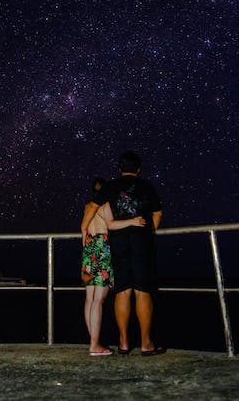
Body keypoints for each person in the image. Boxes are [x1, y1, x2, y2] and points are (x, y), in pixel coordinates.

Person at [88, 152, 165, 356]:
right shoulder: (147, 186)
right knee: (142, 291)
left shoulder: (110, 187)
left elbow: (92, 207)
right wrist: (150, 232)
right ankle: (146, 344)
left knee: (122, 290)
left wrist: (84, 229)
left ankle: (123, 343)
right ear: (138, 169)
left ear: (119, 169)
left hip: (118, 243)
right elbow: (157, 213)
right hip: (141, 241)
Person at [80, 177, 145, 356]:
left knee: (90, 299)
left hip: (89, 247)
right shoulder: (105, 204)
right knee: (99, 300)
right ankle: (95, 345)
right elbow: (110, 224)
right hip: (101, 246)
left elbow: (83, 230)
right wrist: (133, 221)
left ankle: (93, 341)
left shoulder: (87, 207)